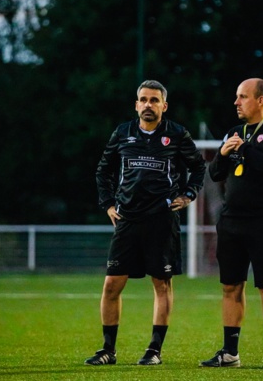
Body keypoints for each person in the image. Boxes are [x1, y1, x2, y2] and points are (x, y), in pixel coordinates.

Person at [85, 80, 206, 366]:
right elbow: (103, 171)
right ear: (136, 104)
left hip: (161, 221)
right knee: (112, 285)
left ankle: (154, 350)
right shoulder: (123, 133)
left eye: (154, 100)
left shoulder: (177, 135)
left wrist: (188, 194)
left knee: (161, 285)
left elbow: (199, 167)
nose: (148, 105)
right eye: (143, 100)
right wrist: (108, 205)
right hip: (127, 220)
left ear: (164, 106)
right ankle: (108, 350)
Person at [200, 78, 263, 370]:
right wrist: (224, 153)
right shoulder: (233, 132)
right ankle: (230, 353)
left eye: (242, 97)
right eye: (236, 96)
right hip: (231, 221)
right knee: (230, 286)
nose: (236, 102)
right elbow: (215, 173)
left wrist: (247, 149)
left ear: (260, 100)